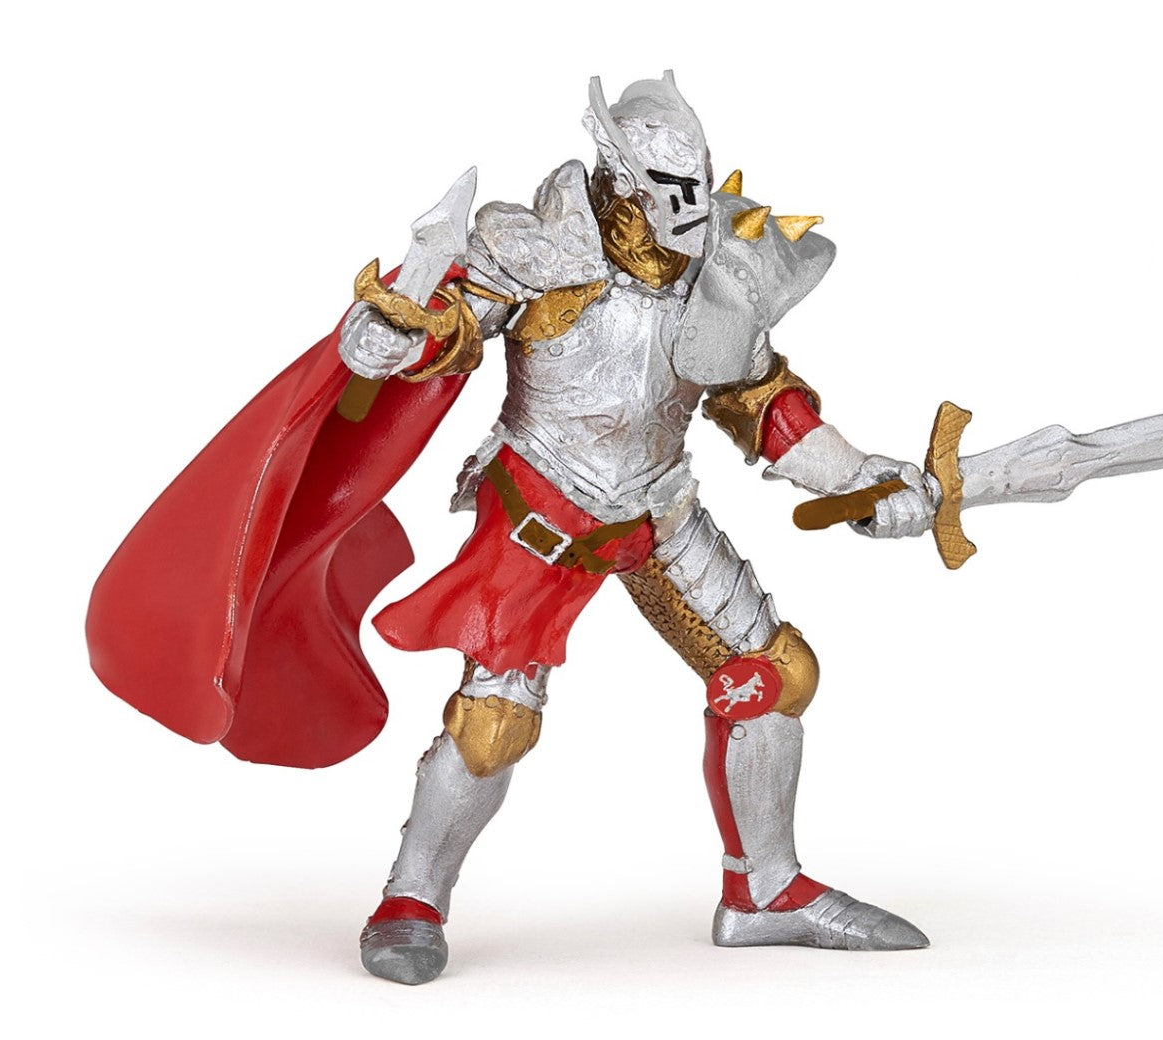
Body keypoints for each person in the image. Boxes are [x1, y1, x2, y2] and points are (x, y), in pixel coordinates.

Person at [339, 71, 938, 985]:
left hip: (658, 511)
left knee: (774, 676)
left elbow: (761, 400)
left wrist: (859, 478)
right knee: (495, 722)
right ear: (619, 181)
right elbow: (449, 326)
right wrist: (396, 333)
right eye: (665, 192)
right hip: (542, 515)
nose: (684, 216)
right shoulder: (541, 249)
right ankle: (410, 900)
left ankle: (763, 892)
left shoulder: (716, 275)